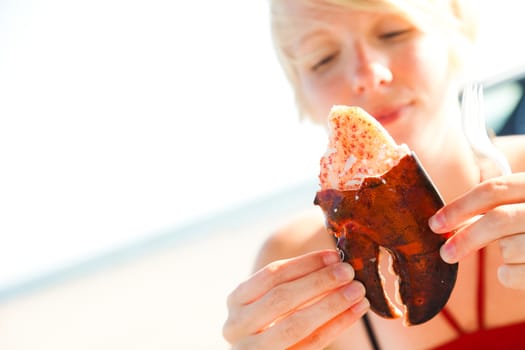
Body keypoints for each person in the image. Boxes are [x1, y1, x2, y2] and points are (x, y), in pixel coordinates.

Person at [223, 0, 525, 349]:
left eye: (393, 32)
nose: (367, 75)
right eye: (322, 58)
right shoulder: (293, 264)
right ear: (300, 93)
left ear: (457, 30)